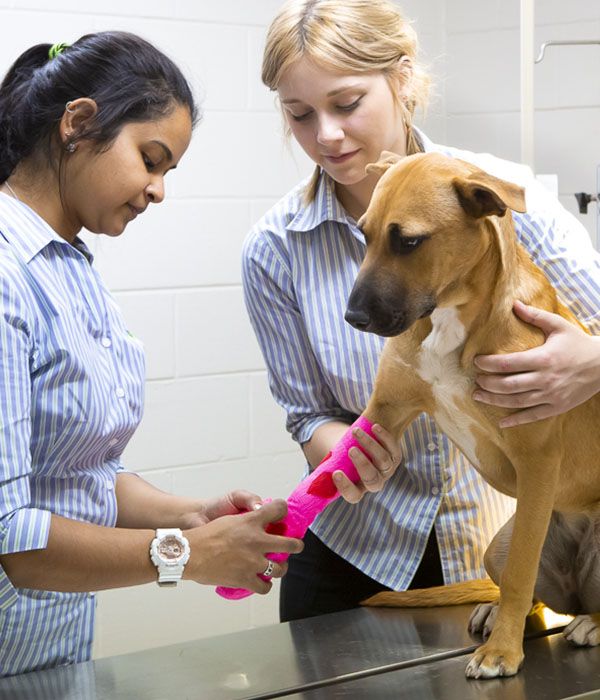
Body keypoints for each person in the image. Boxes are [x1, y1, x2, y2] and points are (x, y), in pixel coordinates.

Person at [242, 0, 600, 622]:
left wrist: (592, 361)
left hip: (490, 553)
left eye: (346, 103)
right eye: (299, 114)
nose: (325, 134)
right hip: (354, 553)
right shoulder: (275, 249)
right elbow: (307, 414)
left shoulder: (502, 202)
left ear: (402, 80)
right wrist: (342, 453)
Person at [0, 32, 303, 677]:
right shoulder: (5, 273)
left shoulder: (68, 265)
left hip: (47, 652)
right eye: (151, 158)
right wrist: (187, 554)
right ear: (78, 124)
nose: (158, 189)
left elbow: (75, 473)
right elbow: (11, 539)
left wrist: (190, 517)